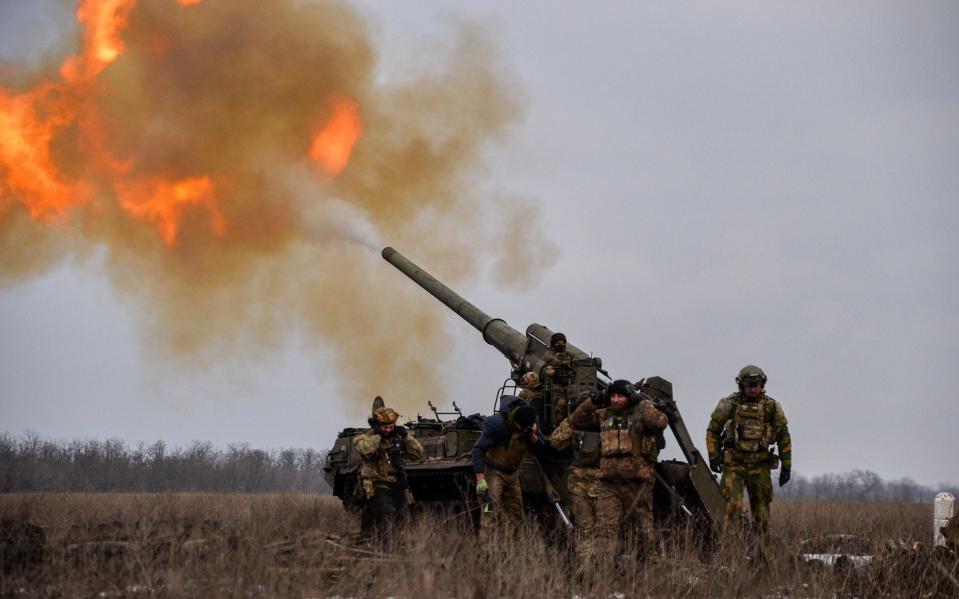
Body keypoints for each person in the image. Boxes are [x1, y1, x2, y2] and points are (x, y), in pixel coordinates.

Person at [570, 380, 668, 558]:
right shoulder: (603, 415)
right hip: (609, 483)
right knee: (605, 529)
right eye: (613, 396)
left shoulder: (640, 415)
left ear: (628, 397)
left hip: (637, 483)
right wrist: (592, 401)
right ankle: (602, 571)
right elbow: (576, 420)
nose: (615, 400)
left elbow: (660, 422)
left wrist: (641, 402)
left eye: (620, 396)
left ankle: (650, 566)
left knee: (643, 529)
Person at [705, 364, 792, 559]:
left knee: (761, 514)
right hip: (734, 465)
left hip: (760, 466)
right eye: (749, 385)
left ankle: (764, 560)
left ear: (762, 385)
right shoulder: (729, 404)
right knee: (731, 512)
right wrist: (713, 456)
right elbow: (713, 431)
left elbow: (784, 436)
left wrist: (787, 465)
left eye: (756, 385)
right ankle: (730, 560)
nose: (753, 388)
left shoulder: (771, 407)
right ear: (741, 385)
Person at [471, 395, 545, 534]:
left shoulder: (531, 421)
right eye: (521, 428)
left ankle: (513, 550)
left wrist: (533, 437)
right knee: (489, 510)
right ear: (514, 421)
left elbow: (541, 448)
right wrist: (480, 479)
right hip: (493, 473)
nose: (524, 431)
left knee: (516, 515)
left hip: (512, 474)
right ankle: (488, 550)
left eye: (526, 428)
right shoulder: (498, 425)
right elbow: (478, 449)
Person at [353, 405, 424, 546]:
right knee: (386, 513)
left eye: (391, 427)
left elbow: (417, 453)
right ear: (378, 425)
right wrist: (376, 435)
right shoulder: (365, 438)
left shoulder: (398, 438)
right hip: (376, 483)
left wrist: (406, 436)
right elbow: (366, 450)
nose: (388, 430)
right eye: (384, 427)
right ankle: (386, 547)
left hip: (397, 483)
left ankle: (396, 545)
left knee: (401, 516)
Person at [549, 407, 601, 561]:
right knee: (603, 530)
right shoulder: (607, 420)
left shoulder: (574, 424)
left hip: (582, 487)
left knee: (585, 530)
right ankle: (598, 566)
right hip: (601, 487)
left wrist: (572, 420)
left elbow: (555, 441)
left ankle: (587, 565)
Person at [541, 332, 574, 423]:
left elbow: (575, 364)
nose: (561, 345)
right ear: (553, 344)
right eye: (558, 343)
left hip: (569, 384)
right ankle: (558, 423)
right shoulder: (549, 354)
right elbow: (548, 363)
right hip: (555, 385)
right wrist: (560, 364)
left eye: (563, 343)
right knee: (561, 403)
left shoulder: (569, 355)